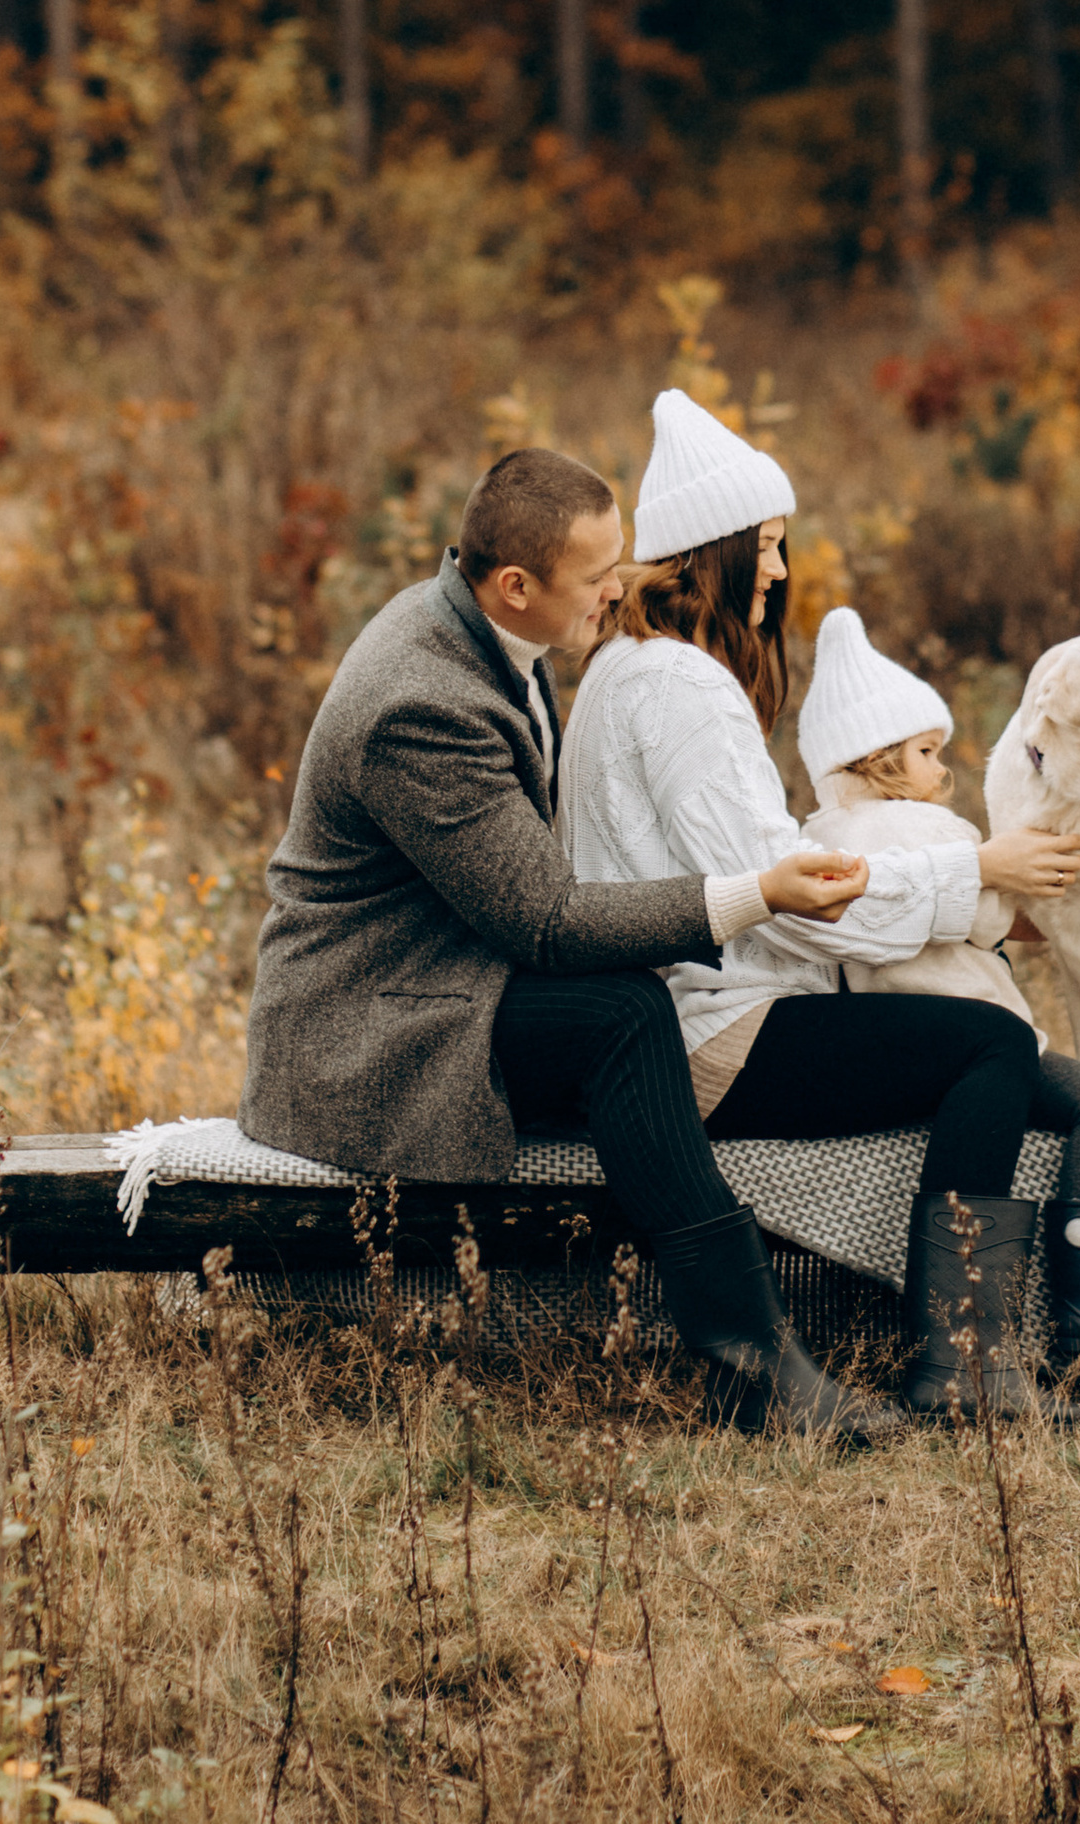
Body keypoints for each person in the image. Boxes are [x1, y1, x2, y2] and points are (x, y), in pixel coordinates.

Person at [238, 443, 902, 1442]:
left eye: (619, 560)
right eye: (597, 577)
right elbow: (542, 924)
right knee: (620, 1012)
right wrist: (752, 894)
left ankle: (748, 1354)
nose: (620, 587)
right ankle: (750, 1360)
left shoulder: (482, 636)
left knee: (624, 1000)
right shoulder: (420, 704)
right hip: (363, 1026)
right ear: (514, 586)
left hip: (440, 977)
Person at [557, 389, 1080, 1416]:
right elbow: (793, 899)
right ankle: (964, 1363)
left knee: (989, 1057)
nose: (779, 571)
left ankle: (988, 1347)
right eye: (767, 547)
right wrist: (976, 876)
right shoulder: (681, 687)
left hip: (684, 1014)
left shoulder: (625, 668)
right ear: (712, 552)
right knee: (982, 1048)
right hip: (703, 1034)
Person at [796, 605, 1080, 1363]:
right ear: (877, 758)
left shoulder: (811, 841)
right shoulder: (937, 836)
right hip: (980, 1048)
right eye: (927, 751)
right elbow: (998, 916)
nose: (941, 770)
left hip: (893, 1054)